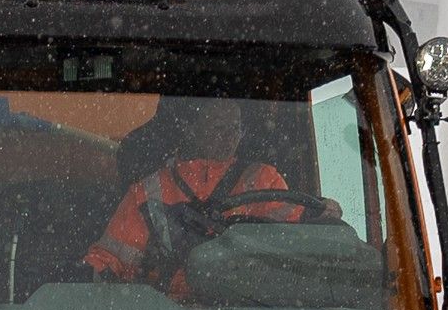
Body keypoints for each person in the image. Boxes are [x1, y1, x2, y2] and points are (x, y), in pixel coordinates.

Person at [82, 96, 300, 289]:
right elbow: (108, 261)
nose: (230, 137)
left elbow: (296, 240)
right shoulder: (148, 191)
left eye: (235, 128)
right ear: (190, 129)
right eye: (219, 128)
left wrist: (321, 216)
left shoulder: (263, 179)